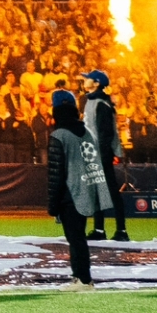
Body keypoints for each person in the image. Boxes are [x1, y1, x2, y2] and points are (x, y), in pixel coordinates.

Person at [44, 89, 104, 286]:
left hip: (69, 195)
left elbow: (56, 174)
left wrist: (53, 204)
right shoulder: (87, 132)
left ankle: (83, 279)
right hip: (87, 190)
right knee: (79, 237)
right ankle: (80, 276)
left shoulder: (58, 135)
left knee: (75, 239)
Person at [82, 71, 133, 240]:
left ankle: (121, 230)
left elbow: (106, 133)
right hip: (94, 152)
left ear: (96, 83)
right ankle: (99, 230)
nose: (84, 80)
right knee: (96, 192)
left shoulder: (101, 103)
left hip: (100, 153)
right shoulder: (92, 101)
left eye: (88, 78)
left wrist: (102, 154)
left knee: (110, 190)